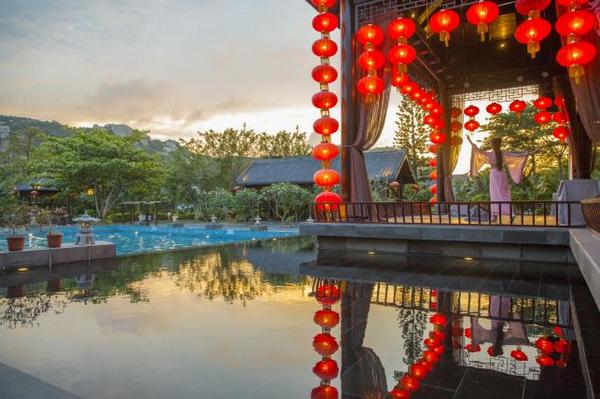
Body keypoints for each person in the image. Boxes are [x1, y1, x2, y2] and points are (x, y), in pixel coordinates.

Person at [468, 136, 528, 221]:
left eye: (491, 143)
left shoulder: (490, 154)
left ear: (493, 144)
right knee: (504, 194)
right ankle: (510, 214)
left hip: (494, 173)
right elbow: (515, 155)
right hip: (501, 173)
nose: (490, 144)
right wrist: (526, 153)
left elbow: (477, 151)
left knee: (495, 194)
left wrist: (469, 140)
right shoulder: (503, 153)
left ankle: (494, 216)